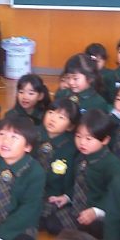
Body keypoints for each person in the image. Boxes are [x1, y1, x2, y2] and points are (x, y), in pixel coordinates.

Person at [44, 110, 120, 238]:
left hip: (101, 213)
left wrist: (96, 211)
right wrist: (67, 197)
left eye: (88, 138)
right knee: (50, 221)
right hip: (79, 208)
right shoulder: (81, 157)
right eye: (78, 136)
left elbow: (116, 195)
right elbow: (79, 184)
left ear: (105, 140)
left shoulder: (112, 165)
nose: (82, 142)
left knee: (96, 228)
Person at [34, 98, 81, 229]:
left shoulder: (73, 146)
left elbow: (77, 177)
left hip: (53, 195)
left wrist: (67, 196)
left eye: (61, 117)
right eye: (50, 112)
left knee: (51, 222)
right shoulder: (32, 134)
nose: (53, 119)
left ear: (70, 126)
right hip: (28, 190)